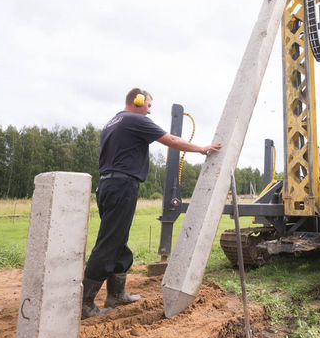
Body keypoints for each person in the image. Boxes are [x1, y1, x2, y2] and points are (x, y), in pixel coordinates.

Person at [82, 87, 222, 318]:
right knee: (109, 243)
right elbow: (171, 139)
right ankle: (86, 304)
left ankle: (116, 295)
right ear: (137, 101)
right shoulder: (135, 119)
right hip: (122, 186)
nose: (149, 109)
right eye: (148, 103)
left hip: (109, 185)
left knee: (118, 241)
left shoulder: (113, 121)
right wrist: (201, 149)